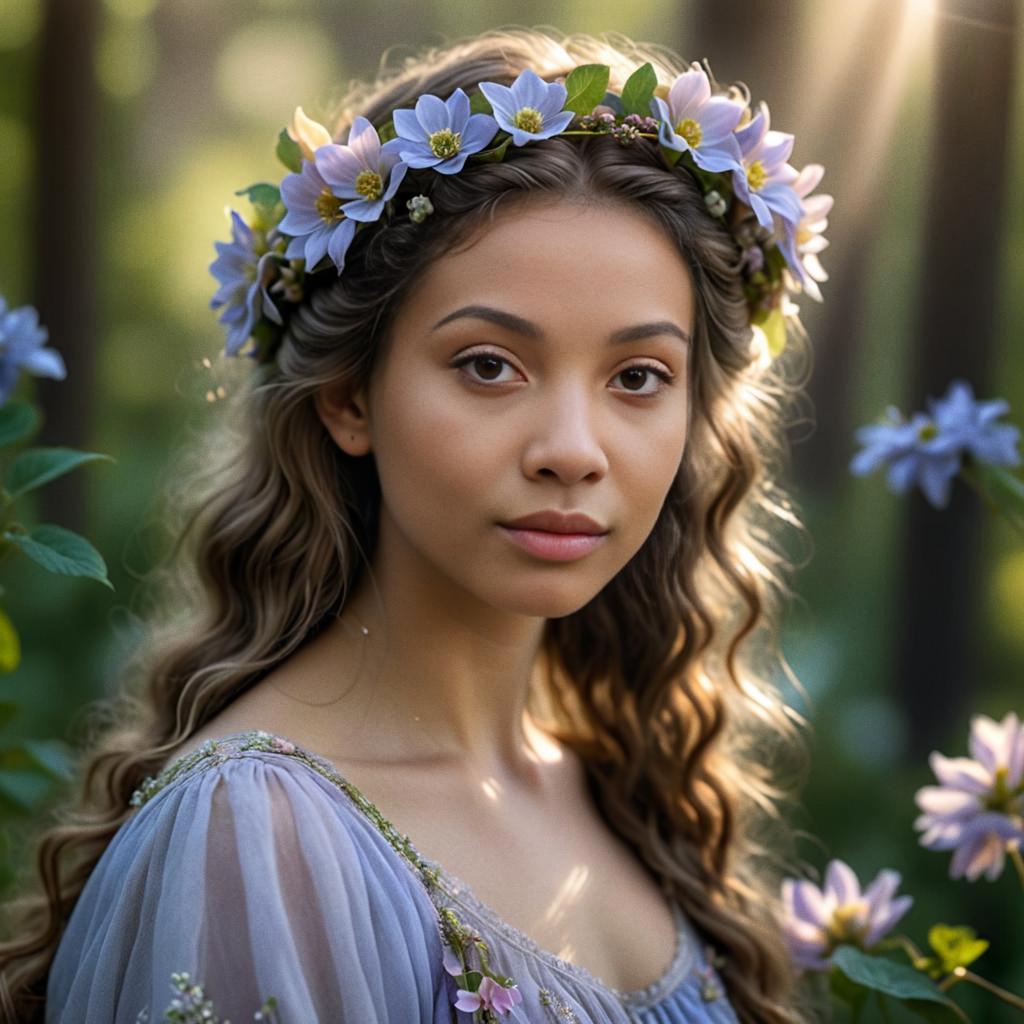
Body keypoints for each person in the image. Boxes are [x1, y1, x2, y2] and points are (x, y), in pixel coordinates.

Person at [0, 27, 832, 1024]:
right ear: (349, 396)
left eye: (637, 377)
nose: (572, 448)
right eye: (488, 364)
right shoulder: (260, 839)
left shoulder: (621, 796)